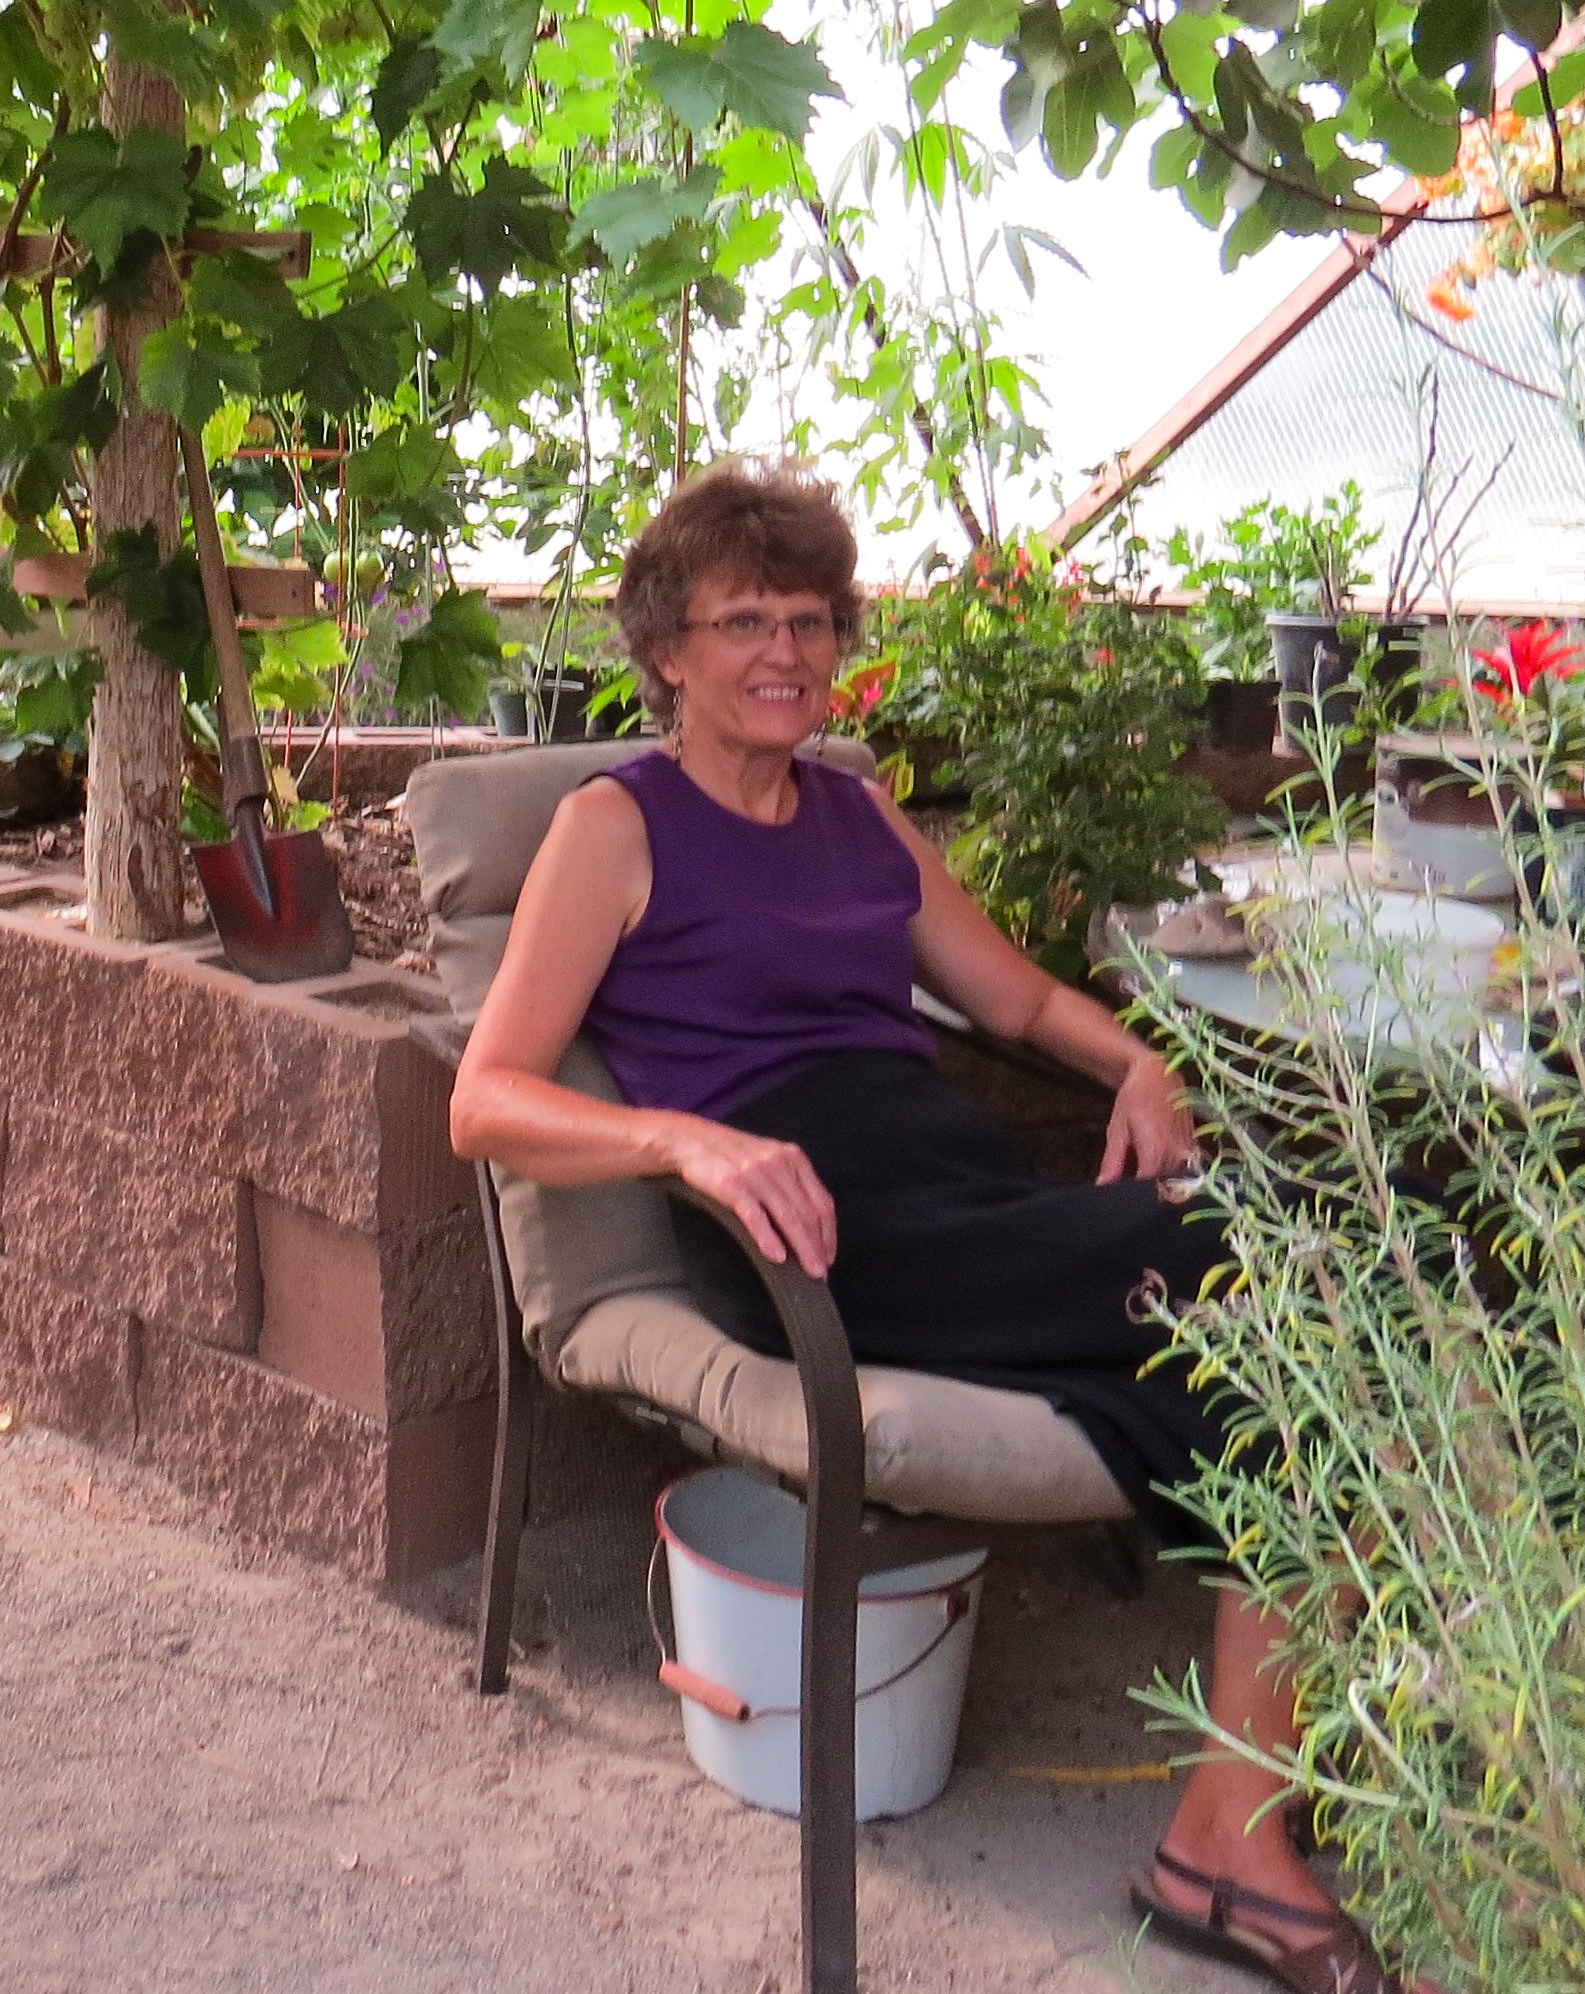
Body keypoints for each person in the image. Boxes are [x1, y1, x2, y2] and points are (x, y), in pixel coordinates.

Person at [447, 459, 1393, 1994]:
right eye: (742, 619)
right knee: (1305, 1261)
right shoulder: (614, 828)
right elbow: (483, 1101)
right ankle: (1245, 1842)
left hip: (956, 1191)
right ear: (666, 651)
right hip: (809, 1228)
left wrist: (1136, 1057)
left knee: (1283, 1365)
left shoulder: (857, 815)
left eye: (812, 620)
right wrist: (687, 1139)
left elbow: (1011, 996)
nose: (785, 653)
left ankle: (1229, 1835)